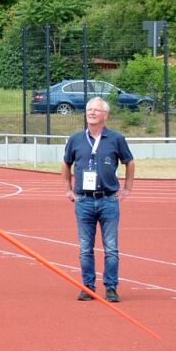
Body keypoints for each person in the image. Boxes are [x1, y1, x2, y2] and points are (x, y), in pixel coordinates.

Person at [62, 96, 135, 303]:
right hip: (84, 201)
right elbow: (66, 163)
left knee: (111, 247)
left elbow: (129, 162)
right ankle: (88, 286)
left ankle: (111, 287)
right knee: (85, 248)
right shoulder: (76, 139)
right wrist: (67, 189)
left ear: (106, 115)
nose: (92, 113)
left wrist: (128, 188)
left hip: (108, 200)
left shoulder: (116, 139)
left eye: (96, 110)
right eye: (89, 110)